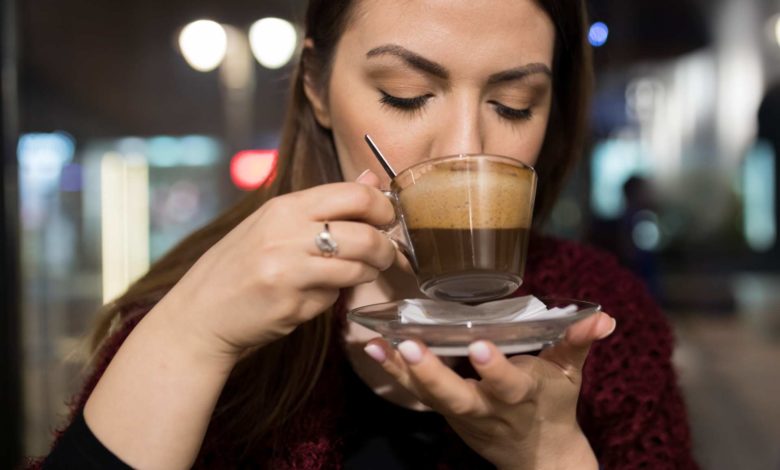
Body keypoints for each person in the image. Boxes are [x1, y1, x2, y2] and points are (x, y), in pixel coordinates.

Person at [36, 0, 698, 468]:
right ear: (317, 89)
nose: (466, 147)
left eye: (512, 104)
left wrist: (553, 458)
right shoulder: (205, 310)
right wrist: (189, 339)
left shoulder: (605, 323)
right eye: (406, 94)